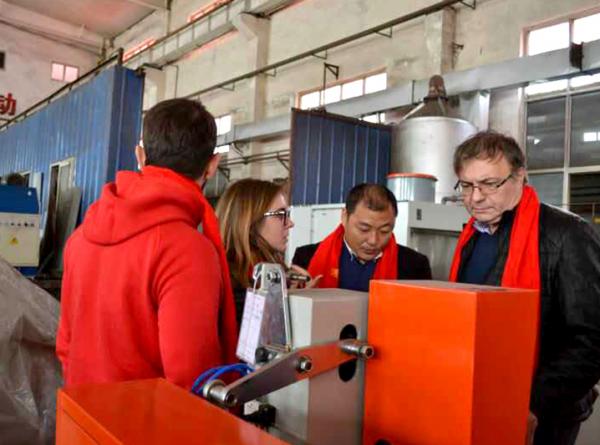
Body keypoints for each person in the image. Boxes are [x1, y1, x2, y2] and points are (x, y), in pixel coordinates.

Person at [56, 98, 238, 390]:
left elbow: (66, 345)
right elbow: (191, 380)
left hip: (79, 410)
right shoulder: (188, 250)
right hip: (143, 418)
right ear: (212, 165)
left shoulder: (79, 238)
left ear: (140, 156)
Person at [448, 130, 600, 445]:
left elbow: (591, 338)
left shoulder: (568, 234)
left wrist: (533, 404)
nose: (475, 197)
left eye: (489, 184)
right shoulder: (472, 236)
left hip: (544, 413)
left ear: (520, 177)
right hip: (482, 396)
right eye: (467, 185)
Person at [293, 183, 432, 292]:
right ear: (344, 217)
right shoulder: (306, 259)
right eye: (364, 229)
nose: (373, 240)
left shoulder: (414, 266)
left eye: (384, 231)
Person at [216, 178, 313, 324]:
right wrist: (293, 305)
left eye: (287, 214)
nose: (290, 223)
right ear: (249, 220)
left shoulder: (269, 273)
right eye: (280, 215)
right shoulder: (231, 285)